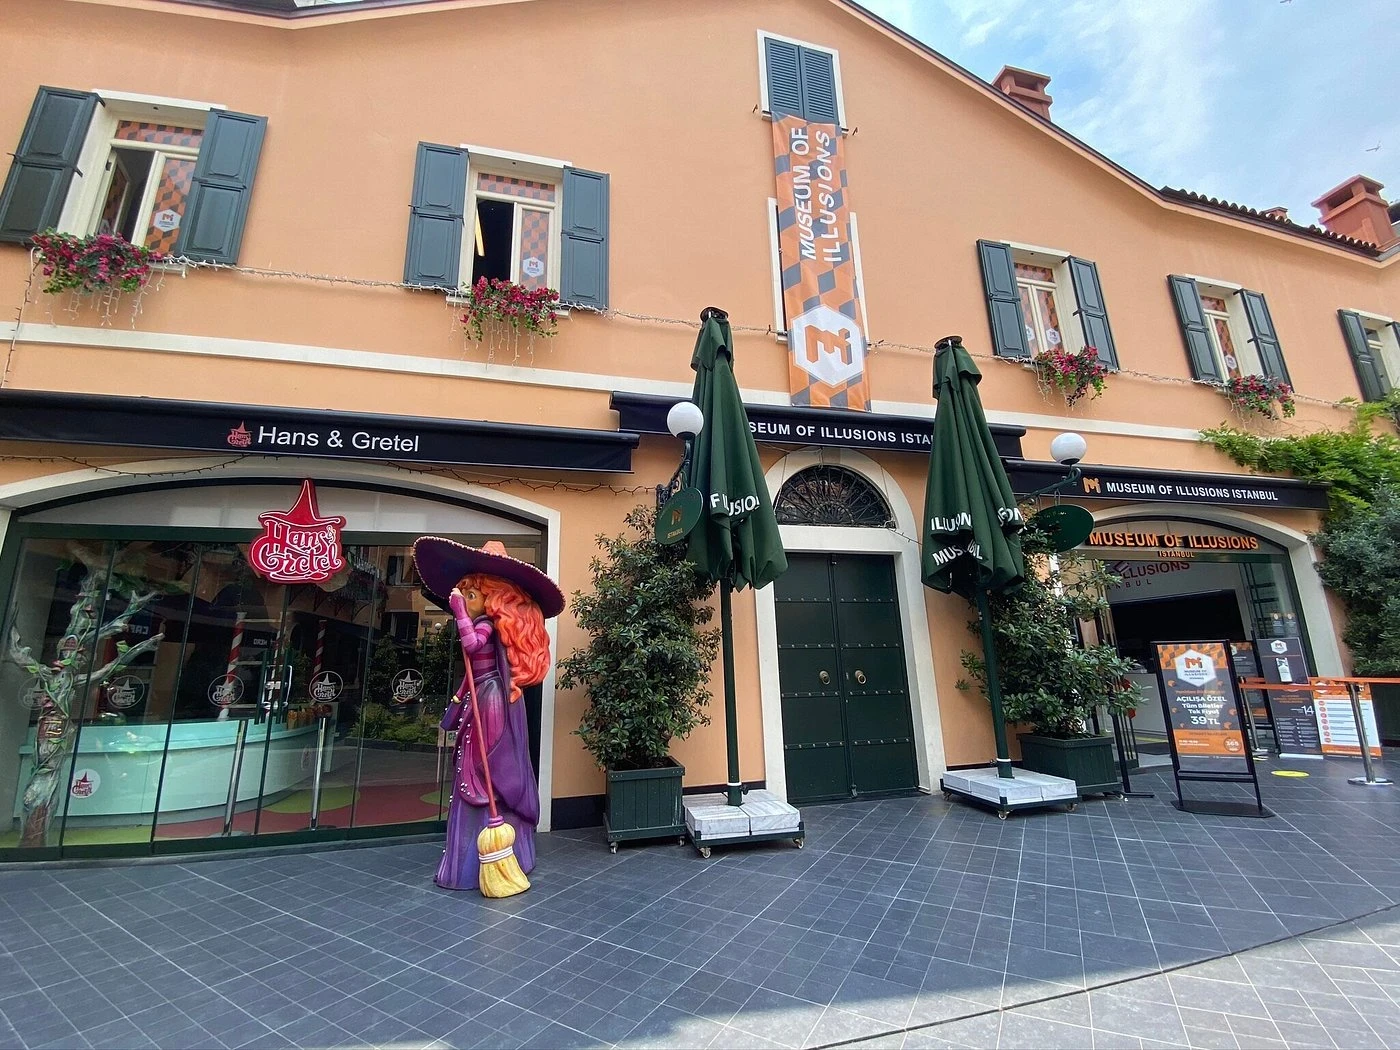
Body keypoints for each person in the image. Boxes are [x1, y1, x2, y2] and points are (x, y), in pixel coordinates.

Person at [411, 538, 563, 891]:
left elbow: (472, 646)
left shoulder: (488, 628)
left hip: (493, 701)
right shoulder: (481, 624)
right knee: (470, 763)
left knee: (484, 766)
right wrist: (455, 703)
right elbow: (468, 673)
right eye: (462, 592)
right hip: (477, 696)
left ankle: (495, 850)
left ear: (494, 600)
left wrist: (461, 613)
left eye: (470, 593)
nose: (461, 598)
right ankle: (469, 861)